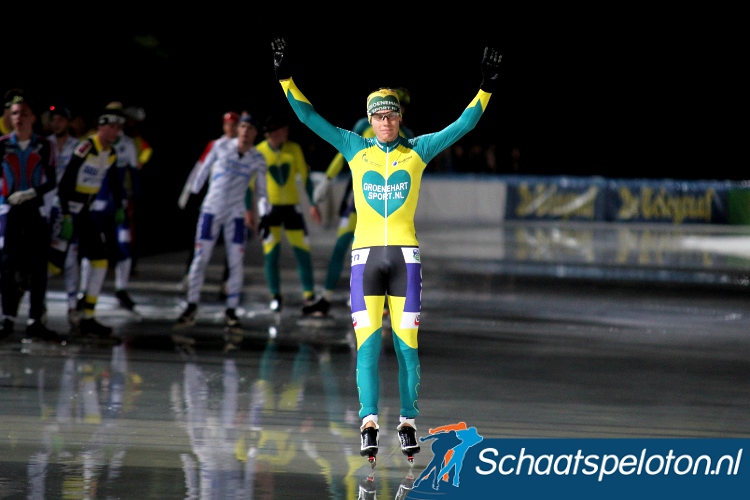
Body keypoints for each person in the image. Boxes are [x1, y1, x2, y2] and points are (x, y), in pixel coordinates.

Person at [270, 36, 502, 460]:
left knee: (408, 345)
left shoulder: (419, 149)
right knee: (368, 346)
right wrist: (285, 77)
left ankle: (409, 422)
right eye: (378, 117)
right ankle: (369, 422)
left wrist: (485, 87)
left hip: (405, 261)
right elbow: (307, 116)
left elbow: (463, 124)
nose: (385, 123)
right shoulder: (353, 146)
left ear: (400, 118)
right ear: (369, 120)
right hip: (365, 262)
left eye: (391, 116)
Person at [313, 87, 414, 310]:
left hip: (384, 209)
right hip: (356, 202)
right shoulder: (363, 126)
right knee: (341, 247)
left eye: (399, 108)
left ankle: (383, 300)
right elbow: (343, 152)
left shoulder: (407, 137)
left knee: (383, 254)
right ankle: (326, 297)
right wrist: (327, 180)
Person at [173, 113, 268, 334]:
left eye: (249, 128)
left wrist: (265, 215)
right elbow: (202, 169)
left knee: (236, 262)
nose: (244, 131)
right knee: (200, 258)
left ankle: (231, 310)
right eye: (242, 126)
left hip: (235, 216)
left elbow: (262, 191)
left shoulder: (257, 158)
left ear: (256, 134)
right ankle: (191, 305)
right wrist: (191, 193)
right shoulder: (219, 146)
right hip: (211, 211)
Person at [53, 106, 127, 339]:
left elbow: (114, 181)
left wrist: (120, 205)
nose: (116, 132)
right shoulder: (87, 147)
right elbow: (65, 184)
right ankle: (15, 306)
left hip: (85, 212)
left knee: (100, 260)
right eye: (112, 127)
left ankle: (87, 315)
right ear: (101, 127)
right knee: (53, 264)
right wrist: (65, 215)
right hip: (68, 209)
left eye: (118, 128)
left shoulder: (110, 152)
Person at [254, 112, 327, 316]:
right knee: (271, 254)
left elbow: (304, 177)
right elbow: (251, 186)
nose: (286, 132)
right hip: (270, 211)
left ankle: (309, 294)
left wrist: (312, 203)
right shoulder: (259, 152)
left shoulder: (293, 149)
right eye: (282, 129)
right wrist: (248, 210)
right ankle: (275, 296)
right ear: (272, 133)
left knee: (302, 252)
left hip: (292, 209)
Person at [0, 93, 60, 342]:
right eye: (15, 113)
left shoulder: (44, 145)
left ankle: (36, 319)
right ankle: (7, 318)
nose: (19, 118)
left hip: (34, 209)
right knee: (7, 265)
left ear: (33, 118)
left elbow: (53, 180)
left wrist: (32, 193)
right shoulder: (3, 144)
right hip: (9, 210)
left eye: (24, 113)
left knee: (38, 266)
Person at [80, 102, 141, 312]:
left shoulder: (127, 145)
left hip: (117, 206)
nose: (116, 127)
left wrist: (130, 199)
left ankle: (121, 288)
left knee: (124, 245)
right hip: (94, 205)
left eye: (119, 121)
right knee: (91, 249)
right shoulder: (89, 142)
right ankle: (82, 292)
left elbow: (131, 174)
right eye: (111, 121)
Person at [177, 111, 240, 293]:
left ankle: (227, 283)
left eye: (234, 124)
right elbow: (200, 168)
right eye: (227, 124)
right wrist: (188, 192)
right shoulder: (215, 145)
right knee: (201, 242)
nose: (231, 128)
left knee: (232, 246)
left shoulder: (244, 146)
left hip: (234, 205)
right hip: (214, 202)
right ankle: (190, 277)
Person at [43, 104, 83, 329]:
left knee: (69, 259)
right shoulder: (44, 144)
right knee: (43, 258)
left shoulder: (78, 146)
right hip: (46, 207)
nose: (56, 123)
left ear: (68, 122)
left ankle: (72, 305)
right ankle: (41, 305)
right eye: (53, 119)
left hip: (68, 208)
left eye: (60, 119)